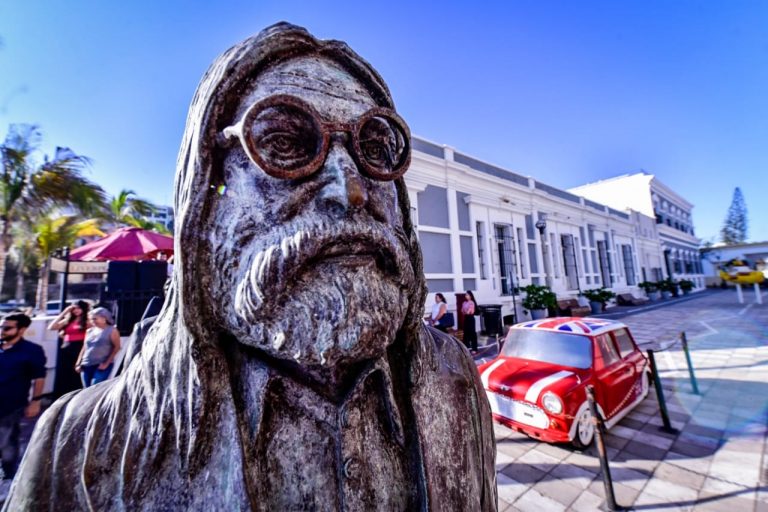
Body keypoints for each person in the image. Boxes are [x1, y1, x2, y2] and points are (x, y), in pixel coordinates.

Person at [6, 23, 496, 510]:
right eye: (283, 143)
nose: (350, 190)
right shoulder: (79, 446)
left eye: (375, 150)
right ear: (207, 196)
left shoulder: (456, 381)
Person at [0, 313, 46, 480]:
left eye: (7, 328)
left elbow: (39, 377)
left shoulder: (32, 351)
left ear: (22, 329)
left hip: (11, 403)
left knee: (6, 439)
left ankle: (9, 476)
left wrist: (35, 401)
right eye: (1, 327)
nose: (2, 331)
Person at [47, 300, 90, 397]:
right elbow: (51, 327)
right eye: (74, 308)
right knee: (64, 373)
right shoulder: (68, 320)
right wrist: (64, 312)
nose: (76, 310)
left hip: (79, 347)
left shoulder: (87, 320)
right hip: (66, 348)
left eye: (78, 308)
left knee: (75, 374)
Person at [74, 307, 120, 387]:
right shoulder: (89, 331)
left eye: (95, 319)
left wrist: (106, 363)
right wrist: (78, 363)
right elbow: (84, 347)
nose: (93, 321)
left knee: (95, 387)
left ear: (104, 318)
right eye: (91, 319)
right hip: (86, 364)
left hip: (101, 364)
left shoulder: (112, 330)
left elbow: (117, 347)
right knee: (86, 389)